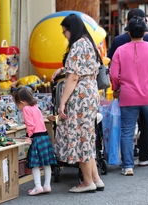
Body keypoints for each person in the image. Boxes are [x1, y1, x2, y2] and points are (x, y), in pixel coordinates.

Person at [51, 13, 104, 193]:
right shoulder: (88, 42)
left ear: (71, 29)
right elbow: (81, 67)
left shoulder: (77, 46)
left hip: (80, 96)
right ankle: (95, 179)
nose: (65, 35)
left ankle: (87, 182)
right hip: (90, 92)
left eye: (65, 31)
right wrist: (63, 69)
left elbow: (73, 77)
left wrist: (62, 103)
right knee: (87, 136)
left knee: (81, 137)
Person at [109, 16, 148, 176]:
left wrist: (116, 88)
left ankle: (127, 167)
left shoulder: (120, 51)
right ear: (145, 32)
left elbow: (113, 75)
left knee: (126, 131)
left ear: (128, 33)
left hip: (128, 96)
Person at [12, 86, 57, 196]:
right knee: (47, 163)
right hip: (45, 137)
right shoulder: (35, 107)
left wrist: (28, 138)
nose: (18, 108)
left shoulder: (26, 109)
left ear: (22, 102)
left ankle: (38, 186)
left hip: (36, 138)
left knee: (35, 164)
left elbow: (30, 125)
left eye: (17, 105)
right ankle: (47, 185)